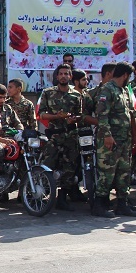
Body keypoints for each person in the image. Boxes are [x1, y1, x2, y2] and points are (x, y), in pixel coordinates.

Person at [93, 62, 136, 218]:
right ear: (125, 75)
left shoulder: (124, 90)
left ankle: (122, 205)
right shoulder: (107, 90)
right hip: (110, 140)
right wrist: (107, 135)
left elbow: (127, 112)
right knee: (107, 173)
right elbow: (102, 115)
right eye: (129, 76)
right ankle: (99, 205)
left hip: (124, 140)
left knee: (124, 173)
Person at [38, 64, 83, 211]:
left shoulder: (76, 95)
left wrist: (73, 119)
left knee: (69, 168)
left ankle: (62, 198)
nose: (63, 76)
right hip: (54, 135)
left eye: (66, 74)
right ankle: (41, 194)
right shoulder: (48, 93)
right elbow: (42, 114)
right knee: (48, 165)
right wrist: (57, 116)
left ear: (70, 76)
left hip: (71, 136)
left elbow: (80, 115)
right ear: (57, 76)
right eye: (61, 74)